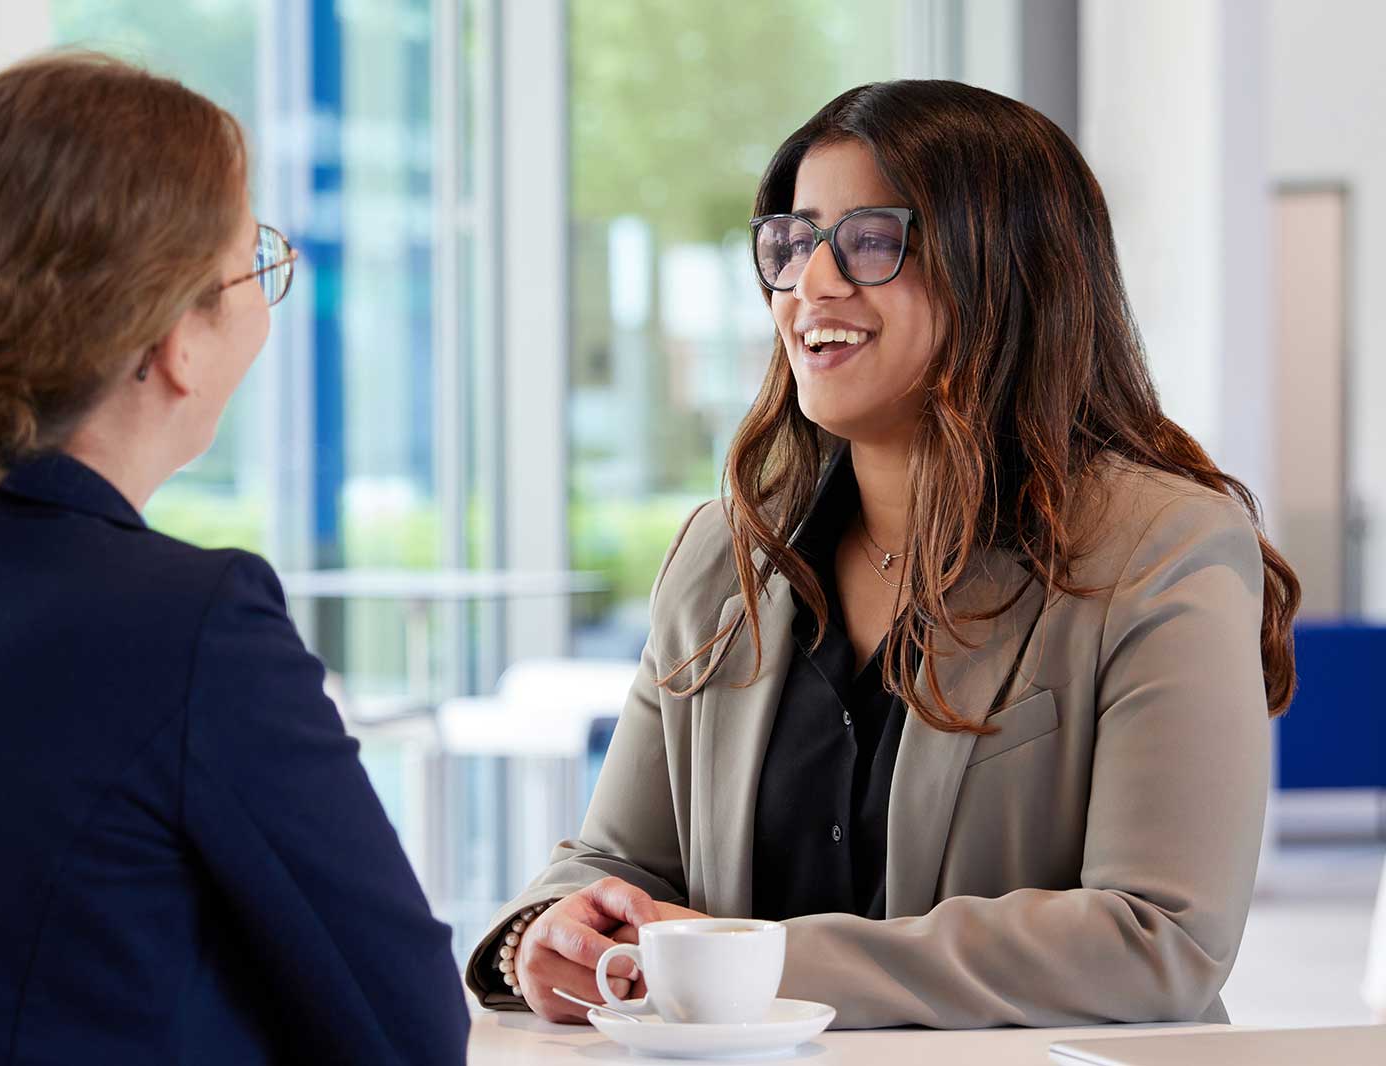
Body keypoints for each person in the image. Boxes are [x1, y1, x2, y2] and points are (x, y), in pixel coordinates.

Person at [465, 79, 1300, 1029]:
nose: (810, 286)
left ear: (1008, 268)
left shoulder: (1162, 546)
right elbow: (619, 863)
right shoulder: (724, 555)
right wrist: (548, 929)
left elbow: (1160, 942)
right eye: (792, 245)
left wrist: (756, 964)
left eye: (869, 242)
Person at [0, 53, 469, 1063]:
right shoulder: (194, 627)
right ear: (172, 343)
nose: (264, 301)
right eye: (255, 264)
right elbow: (405, 1032)